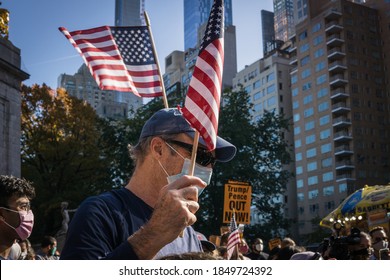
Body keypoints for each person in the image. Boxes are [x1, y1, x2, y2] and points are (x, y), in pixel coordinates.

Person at [61, 107, 236, 259]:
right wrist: (155, 233)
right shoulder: (100, 213)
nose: (208, 168)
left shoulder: (187, 231)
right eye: (202, 156)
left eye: (213, 162)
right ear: (158, 148)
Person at [0, 175, 35, 260]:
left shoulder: (15, 250)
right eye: (23, 207)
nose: (28, 213)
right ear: (1, 214)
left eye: (28, 207)